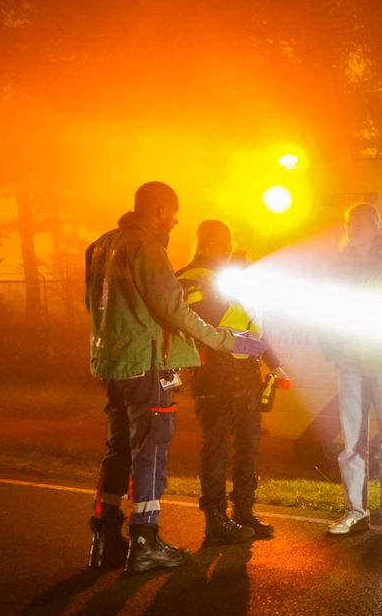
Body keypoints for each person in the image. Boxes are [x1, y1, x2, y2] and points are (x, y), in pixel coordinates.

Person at [85, 182, 265, 574]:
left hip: (112, 364)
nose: (177, 222)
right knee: (150, 448)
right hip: (148, 363)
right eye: (175, 213)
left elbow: (93, 306)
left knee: (118, 448)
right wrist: (226, 340)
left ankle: (104, 539)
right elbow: (176, 311)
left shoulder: (100, 245)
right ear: (161, 210)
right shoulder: (146, 248)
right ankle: (145, 540)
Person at [176, 221, 287, 544]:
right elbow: (201, 324)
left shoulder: (235, 278)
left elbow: (256, 330)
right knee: (217, 448)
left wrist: (276, 365)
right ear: (205, 244)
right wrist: (230, 281)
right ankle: (215, 519)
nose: (227, 248)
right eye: (221, 243)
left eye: (229, 242)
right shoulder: (193, 277)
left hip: (247, 375)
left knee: (249, 446)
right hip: (214, 375)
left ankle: (243, 512)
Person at [327, 203, 382, 538]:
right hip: (349, 359)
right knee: (351, 441)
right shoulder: (338, 268)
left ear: (378, 227)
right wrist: (332, 346)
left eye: (366, 223)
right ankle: (355, 511)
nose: (358, 229)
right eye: (353, 224)